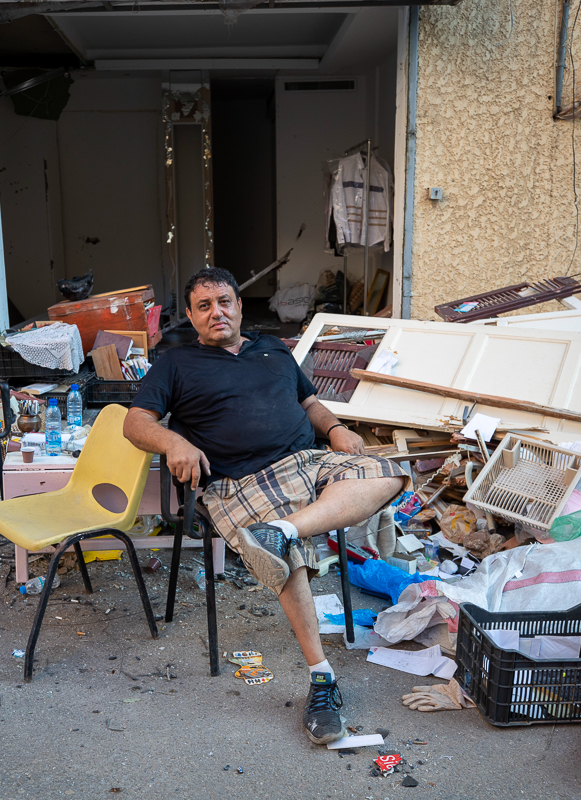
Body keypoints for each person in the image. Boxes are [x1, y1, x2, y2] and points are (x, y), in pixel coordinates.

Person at [123, 266, 409, 745]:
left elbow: (310, 404)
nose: (218, 312)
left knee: (389, 473)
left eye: (225, 302)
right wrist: (173, 443)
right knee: (285, 560)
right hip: (239, 480)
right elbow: (134, 423)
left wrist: (336, 428)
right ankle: (322, 679)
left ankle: (285, 528)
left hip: (306, 460)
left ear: (238, 305)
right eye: (204, 306)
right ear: (192, 317)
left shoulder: (274, 349)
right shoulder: (175, 363)